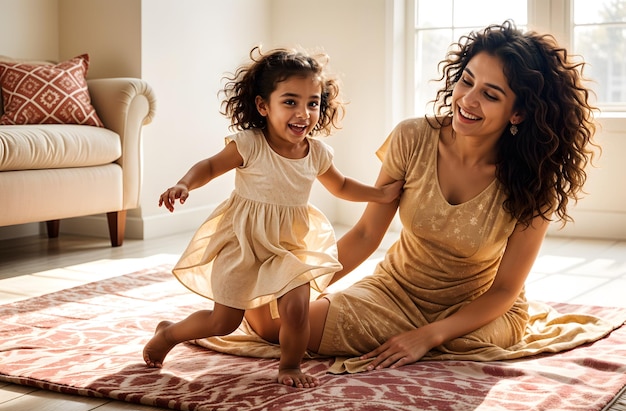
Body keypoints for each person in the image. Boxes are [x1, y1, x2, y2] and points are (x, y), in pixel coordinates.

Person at [242, 20, 616, 373]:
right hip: (394, 293)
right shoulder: (412, 138)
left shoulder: (536, 179)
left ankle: (432, 343)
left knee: (454, 347)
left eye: (490, 94)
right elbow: (365, 234)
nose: (467, 100)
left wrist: (427, 337)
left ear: (517, 112)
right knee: (268, 321)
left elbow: (505, 289)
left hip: (478, 311)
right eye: (466, 82)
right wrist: (299, 286)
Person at [142, 46, 404, 387]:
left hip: (288, 247)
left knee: (296, 309)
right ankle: (169, 333)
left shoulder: (317, 152)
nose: (304, 112)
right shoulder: (250, 144)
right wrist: (184, 184)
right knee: (223, 322)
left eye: (313, 103)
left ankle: (290, 366)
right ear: (263, 106)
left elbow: (340, 185)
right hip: (245, 244)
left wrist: (378, 193)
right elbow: (209, 166)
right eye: (290, 101)